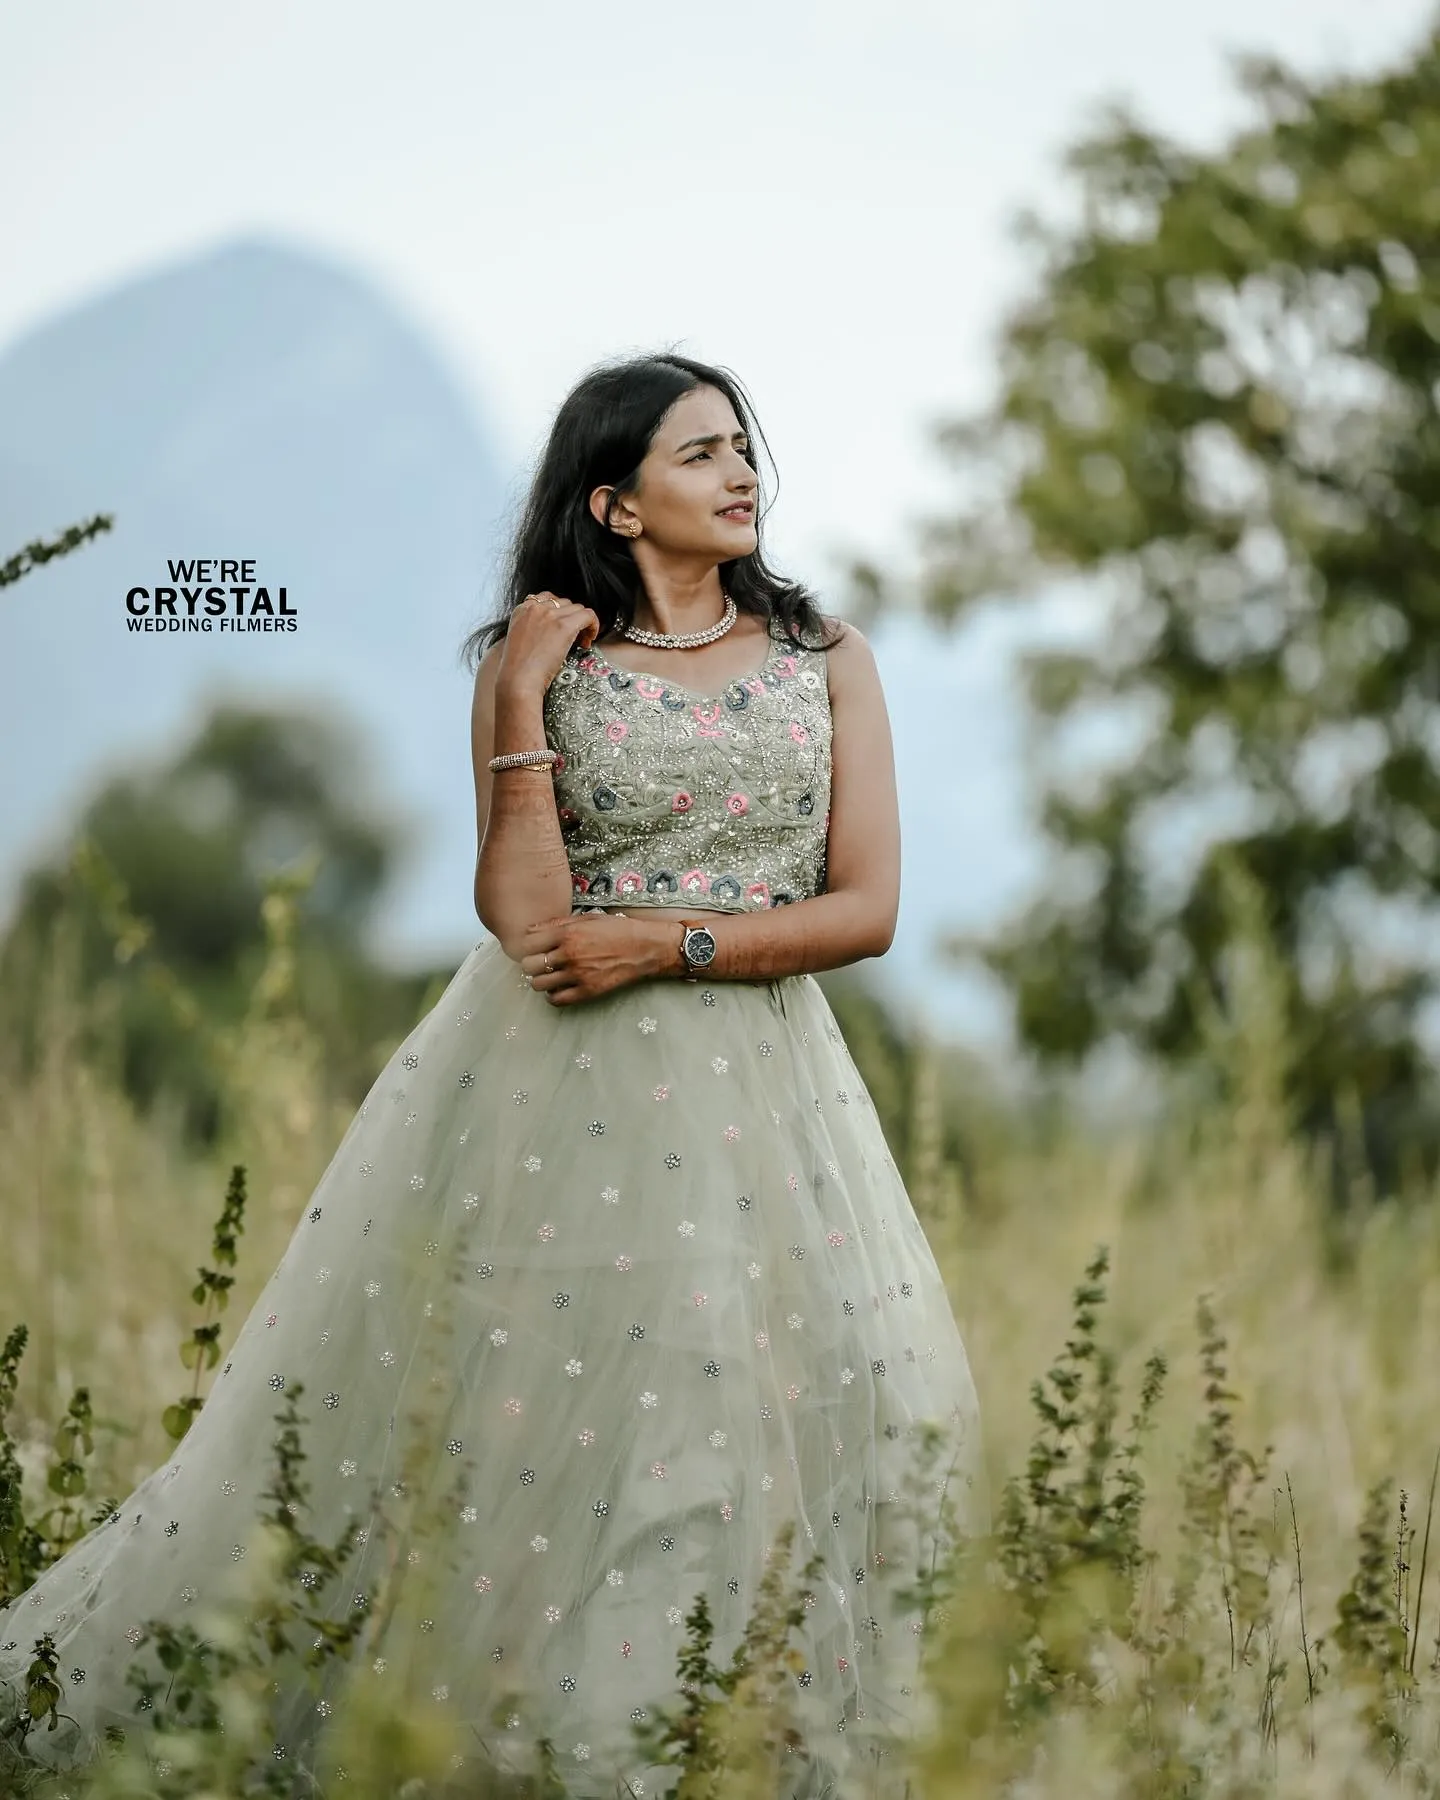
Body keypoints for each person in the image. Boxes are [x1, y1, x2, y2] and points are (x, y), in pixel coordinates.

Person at [0, 352, 986, 1797]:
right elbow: (526, 924)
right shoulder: (547, 672)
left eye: (743, 448)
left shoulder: (828, 661)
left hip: (768, 1099)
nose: (741, 474)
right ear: (617, 502)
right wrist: (523, 689)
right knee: (568, 1423)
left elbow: (868, 908)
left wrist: (666, 941)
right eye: (701, 454)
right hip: (556, 1100)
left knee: (821, 1401)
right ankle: (562, 1748)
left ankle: (723, 1746)